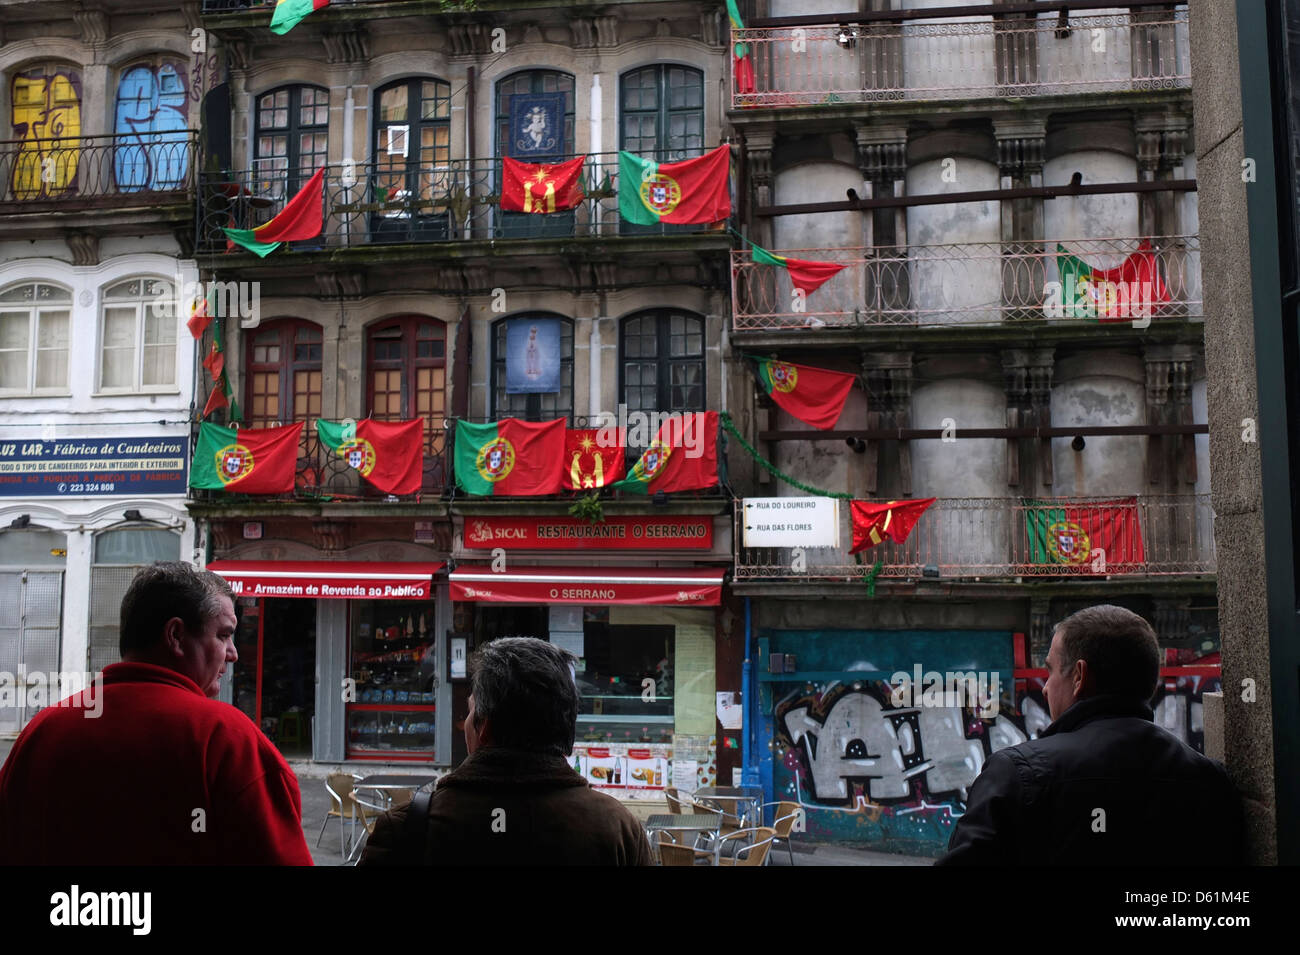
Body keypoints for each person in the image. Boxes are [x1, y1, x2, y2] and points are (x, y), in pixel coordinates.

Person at [0, 561, 313, 865]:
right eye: (222, 635)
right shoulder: (225, 739)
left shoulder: (39, 733)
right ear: (176, 636)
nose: (232, 653)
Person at [937, 604, 1242, 866]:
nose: (1044, 687)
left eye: (1051, 670)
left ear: (1079, 676)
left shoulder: (1017, 774)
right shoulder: (1210, 781)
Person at [361, 637, 653, 865]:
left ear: (483, 728)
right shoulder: (618, 830)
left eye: (470, 711)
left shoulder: (406, 829)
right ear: (566, 728)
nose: (465, 723)